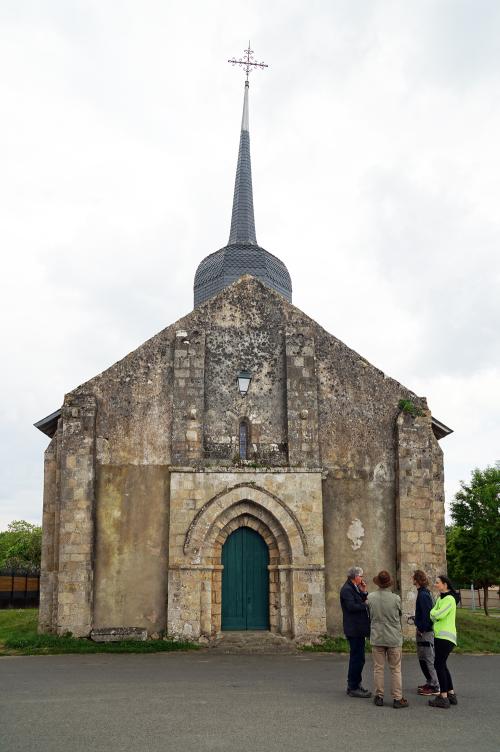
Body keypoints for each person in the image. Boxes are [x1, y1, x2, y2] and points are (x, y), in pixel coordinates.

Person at [367, 570, 409, 709]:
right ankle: (397, 698)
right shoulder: (395, 598)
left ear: (378, 583)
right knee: (396, 669)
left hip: (377, 636)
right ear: (389, 583)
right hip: (393, 637)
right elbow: (400, 612)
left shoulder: (371, 597)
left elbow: (369, 613)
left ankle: (379, 696)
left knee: (378, 668)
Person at [428, 574, 460, 709]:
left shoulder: (449, 599)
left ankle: (444, 697)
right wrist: (433, 614)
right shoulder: (441, 598)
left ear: (445, 584)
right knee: (442, 664)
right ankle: (450, 693)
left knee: (439, 665)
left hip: (445, 637)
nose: (435, 584)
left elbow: (437, 614)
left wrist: (433, 614)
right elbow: (433, 612)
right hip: (441, 636)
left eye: (437, 582)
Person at [340, 566, 371, 698]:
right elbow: (351, 607)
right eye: (361, 576)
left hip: (358, 629)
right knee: (356, 659)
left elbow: (359, 600)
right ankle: (353, 686)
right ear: (355, 577)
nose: (362, 578)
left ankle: (356, 684)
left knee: (360, 658)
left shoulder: (355, 587)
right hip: (354, 629)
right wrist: (367, 605)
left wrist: (364, 592)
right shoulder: (347, 589)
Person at [412, 570, 440, 696]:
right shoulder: (423, 593)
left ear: (416, 580)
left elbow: (428, 615)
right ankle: (430, 681)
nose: (412, 579)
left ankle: (435, 685)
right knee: (423, 658)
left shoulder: (423, 595)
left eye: (413, 578)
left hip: (426, 632)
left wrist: (422, 628)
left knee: (428, 658)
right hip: (424, 630)